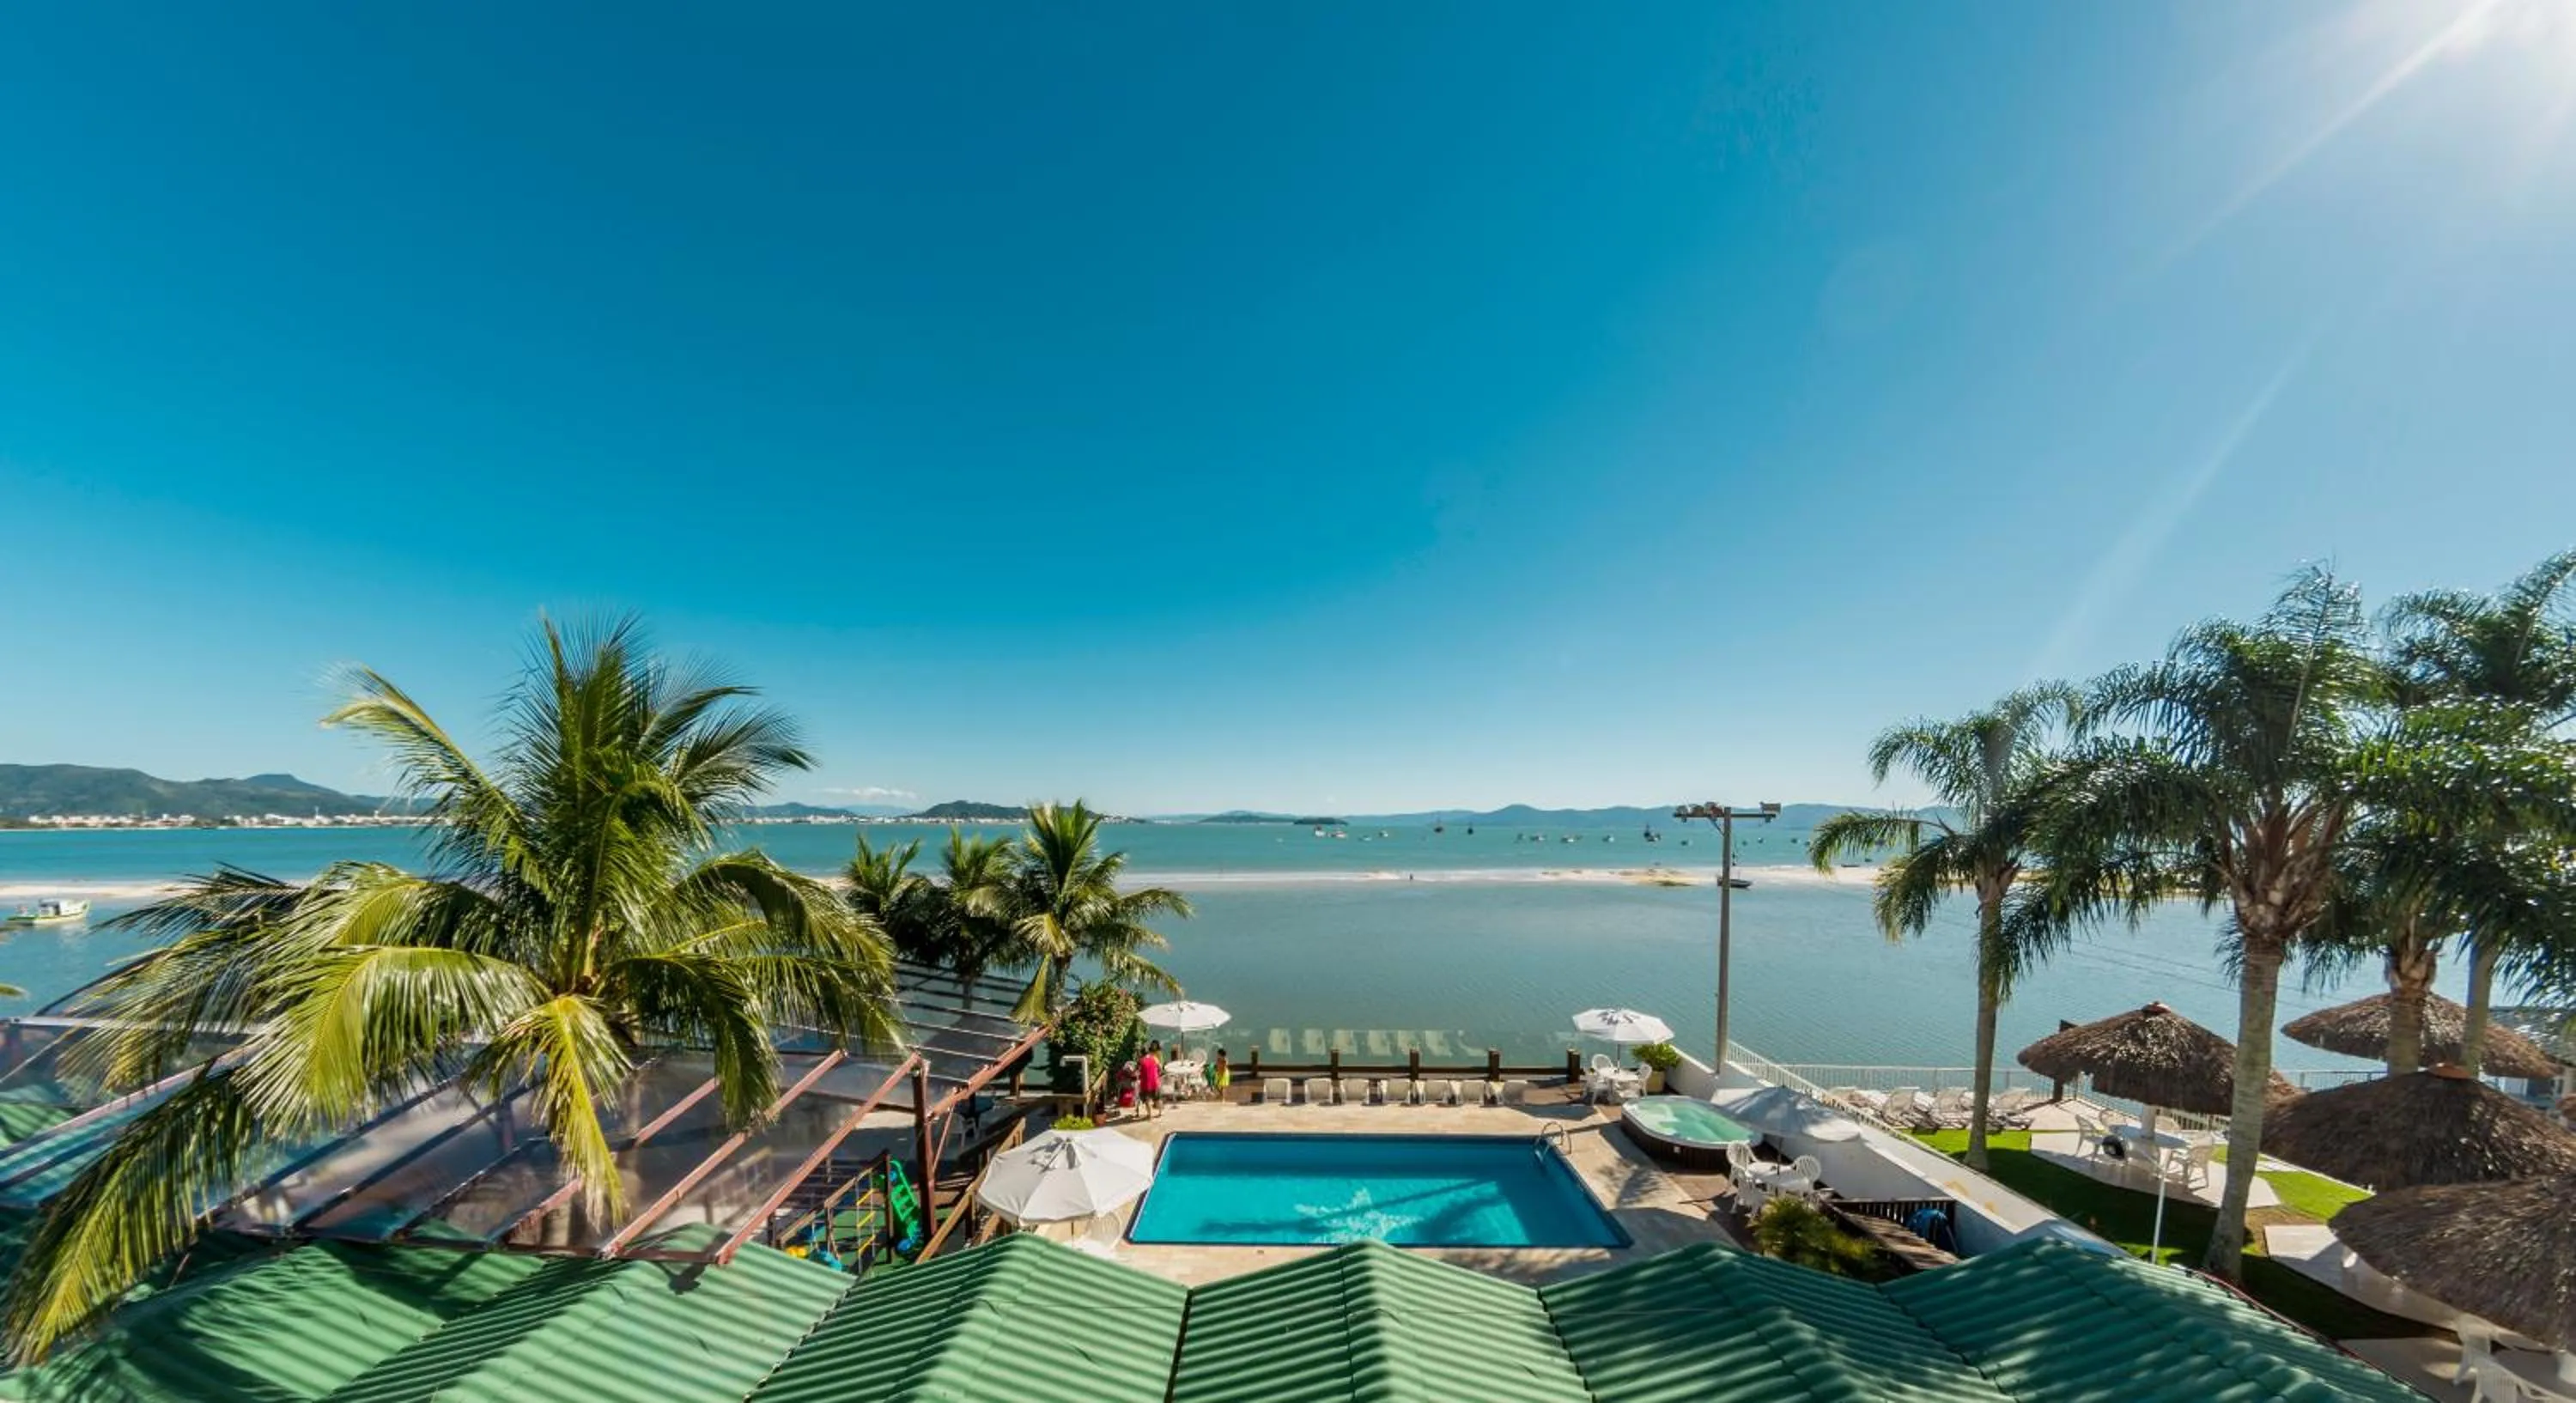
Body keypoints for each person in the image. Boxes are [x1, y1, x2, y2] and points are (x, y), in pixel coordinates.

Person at [1139, 1040, 1164, 1120]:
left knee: (1147, 1100)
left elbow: (1137, 1071)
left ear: (1141, 1053)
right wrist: (1157, 1075)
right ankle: (1160, 1113)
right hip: (1155, 1082)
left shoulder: (1141, 1060)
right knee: (1157, 1099)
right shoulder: (1154, 1058)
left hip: (1145, 1083)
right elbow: (1160, 1068)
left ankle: (1149, 1116)